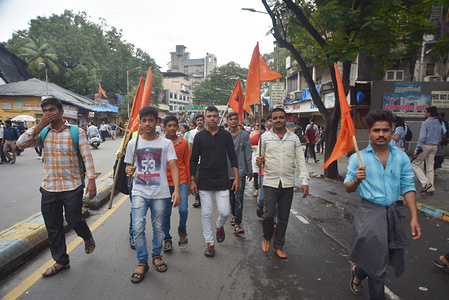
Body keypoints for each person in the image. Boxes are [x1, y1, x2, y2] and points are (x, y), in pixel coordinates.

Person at [16, 97, 98, 277]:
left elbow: (87, 158)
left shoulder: (76, 132)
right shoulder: (43, 133)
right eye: (45, 110)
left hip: (72, 186)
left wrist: (91, 181)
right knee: (53, 227)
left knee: (74, 219)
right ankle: (61, 261)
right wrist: (38, 126)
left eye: (51, 109)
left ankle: (86, 236)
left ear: (61, 112)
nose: (48, 113)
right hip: (49, 187)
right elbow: (20, 144)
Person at [344, 110, 421, 299]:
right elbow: (348, 187)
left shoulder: (401, 157)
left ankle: (358, 272)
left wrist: (414, 217)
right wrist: (357, 181)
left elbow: (408, 186)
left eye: (385, 130)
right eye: (376, 130)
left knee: (378, 255)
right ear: (369, 132)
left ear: (391, 131)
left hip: (392, 214)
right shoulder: (358, 158)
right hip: (369, 214)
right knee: (378, 265)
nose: (381, 134)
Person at [124, 106, 180, 283]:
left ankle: (156, 255)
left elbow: (173, 166)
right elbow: (128, 167)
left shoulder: (166, 143)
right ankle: (142, 262)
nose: (147, 123)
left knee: (158, 227)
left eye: (151, 120)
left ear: (157, 122)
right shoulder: (133, 143)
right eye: (144, 120)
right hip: (139, 190)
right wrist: (129, 169)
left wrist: (177, 190)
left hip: (161, 193)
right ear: (139, 123)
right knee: (138, 227)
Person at [255, 108, 309, 259]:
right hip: (270, 182)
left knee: (283, 217)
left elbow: (300, 160)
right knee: (268, 214)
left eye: (281, 117)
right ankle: (267, 237)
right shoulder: (264, 137)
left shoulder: (294, 139)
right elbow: (258, 158)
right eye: (275, 118)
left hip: (287, 182)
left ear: (286, 119)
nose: (278, 120)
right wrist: (258, 161)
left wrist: (304, 181)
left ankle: (278, 246)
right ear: (271, 120)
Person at [190, 105, 239, 257]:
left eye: (214, 116)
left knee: (224, 212)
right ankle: (209, 244)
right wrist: (192, 179)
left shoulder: (225, 136)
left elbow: (232, 157)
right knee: (207, 213)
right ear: (205, 119)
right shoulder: (199, 137)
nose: (212, 118)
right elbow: (193, 160)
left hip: (222, 179)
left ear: (219, 118)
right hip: (204, 179)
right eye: (209, 116)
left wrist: (236, 178)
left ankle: (219, 226)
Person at [162, 115, 190, 251]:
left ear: (178, 127)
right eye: (169, 126)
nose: (172, 128)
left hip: (182, 181)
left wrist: (190, 183)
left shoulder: (183, 143)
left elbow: (187, 163)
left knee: (183, 209)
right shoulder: (160, 143)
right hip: (165, 183)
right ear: (164, 127)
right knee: (166, 213)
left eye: (174, 125)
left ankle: (182, 231)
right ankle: (167, 238)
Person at [226, 112, 253, 234]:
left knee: (239, 198)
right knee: (231, 197)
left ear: (238, 120)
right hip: (226, 171)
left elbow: (248, 154)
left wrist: (250, 170)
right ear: (227, 121)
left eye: (235, 119)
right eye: (230, 119)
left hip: (241, 171)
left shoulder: (244, 135)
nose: (233, 121)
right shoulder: (224, 136)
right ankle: (234, 214)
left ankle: (238, 223)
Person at [412, 106, 442, 195]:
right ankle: (431, 188)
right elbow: (440, 137)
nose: (424, 113)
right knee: (430, 167)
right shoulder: (438, 123)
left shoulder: (425, 123)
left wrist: (417, 149)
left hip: (425, 145)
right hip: (434, 146)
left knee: (415, 165)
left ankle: (426, 183)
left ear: (429, 113)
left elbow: (422, 137)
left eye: (425, 112)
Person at [255, 113, 273, 218]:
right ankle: (260, 205)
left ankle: (274, 220)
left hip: (277, 174)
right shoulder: (263, 137)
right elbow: (251, 141)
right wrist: (258, 160)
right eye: (270, 120)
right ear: (266, 123)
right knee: (261, 197)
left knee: (275, 198)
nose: (273, 122)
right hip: (264, 172)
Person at [189, 114, 205, 208]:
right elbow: (191, 147)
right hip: (197, 161)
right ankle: (197, 199)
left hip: (207, 162)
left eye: (201, 120)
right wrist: (191, 160)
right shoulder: (192, 133)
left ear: (204, 121)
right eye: (198, 120)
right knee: (196, 180)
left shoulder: (208, 131)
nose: (199, 122)